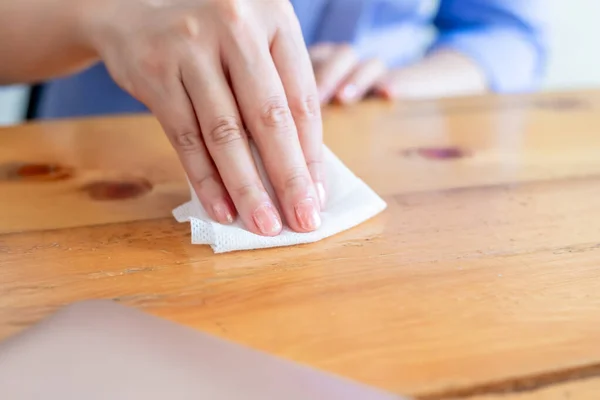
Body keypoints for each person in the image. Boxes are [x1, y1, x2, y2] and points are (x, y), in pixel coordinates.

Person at [0, 0, 546, 237]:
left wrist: (382, 84)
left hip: (400, 171)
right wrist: (104, 17)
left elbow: (508, 34)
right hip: (89, 195)